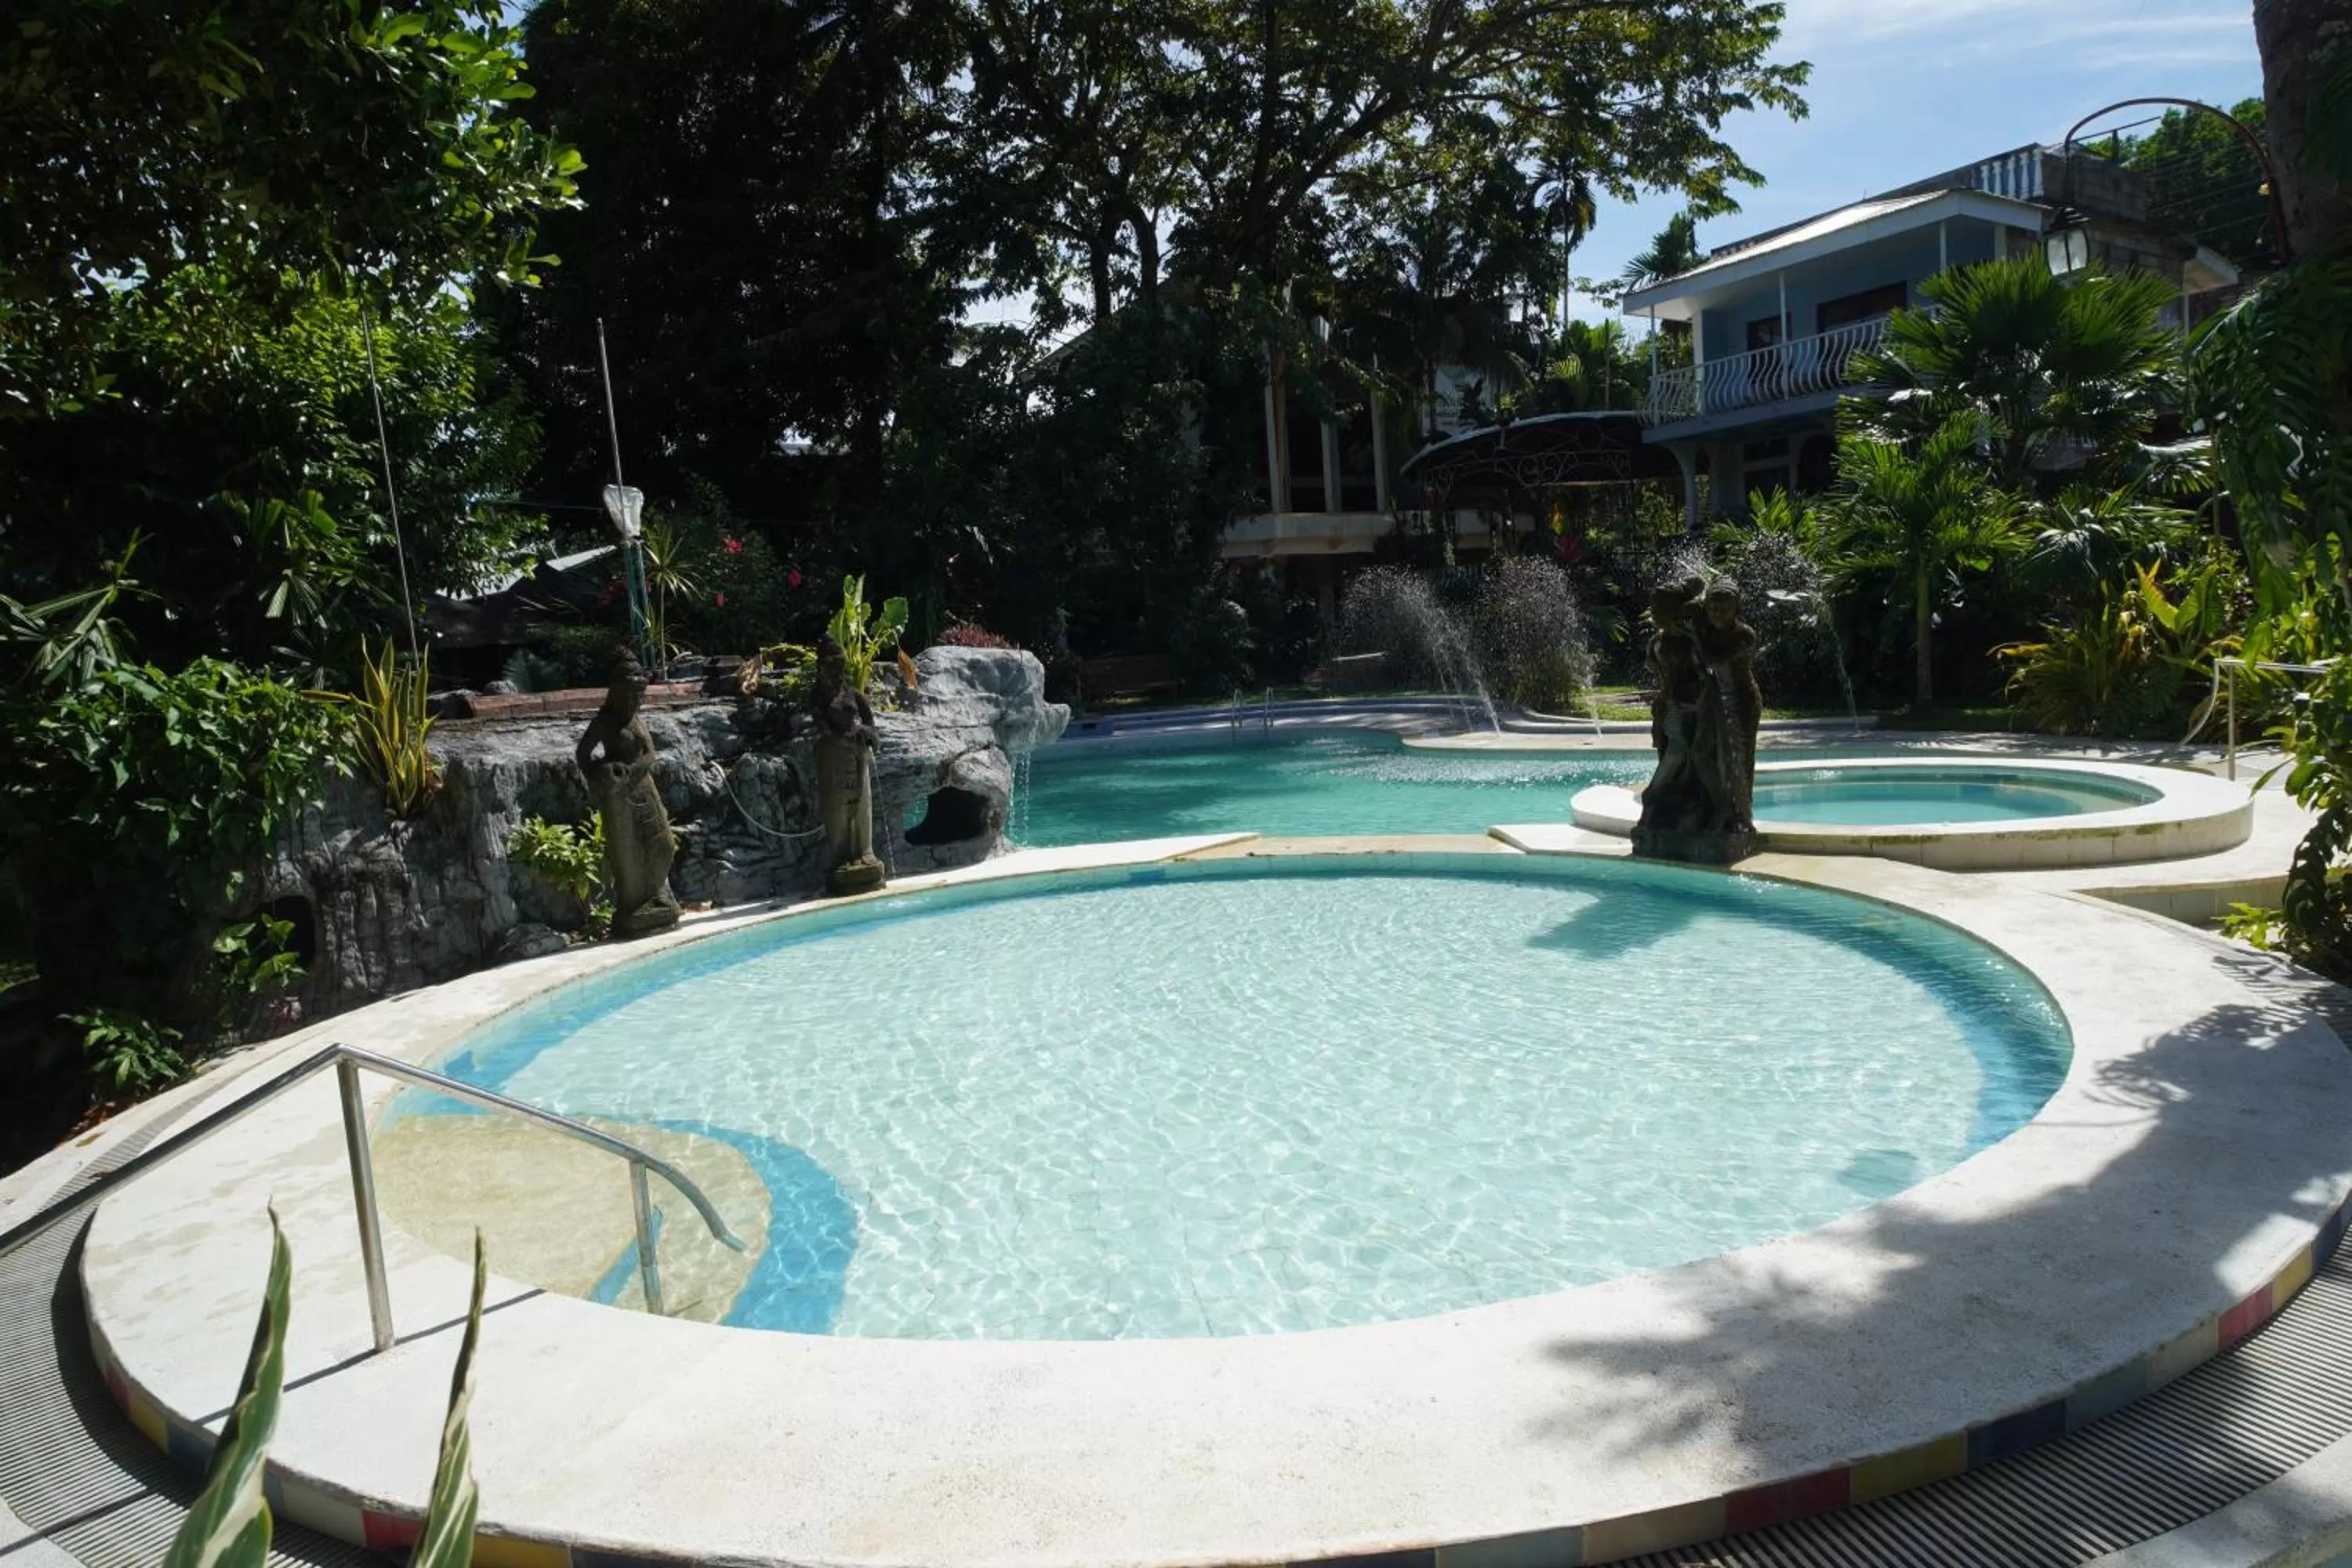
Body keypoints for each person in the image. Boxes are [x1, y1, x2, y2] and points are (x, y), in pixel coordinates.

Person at [574, 653, 682, 935]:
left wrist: (633, 772)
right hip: (618, 797)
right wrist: (603, 771)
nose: (635, 703)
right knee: (628, 854)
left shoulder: (636, 720)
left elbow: (650, 753)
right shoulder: (606, 722)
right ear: (617, 694)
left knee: (664, 844)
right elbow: (583, 755)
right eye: (631, 696)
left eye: (639, 697)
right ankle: (634, 907)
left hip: (643, 788)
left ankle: (657, 894)